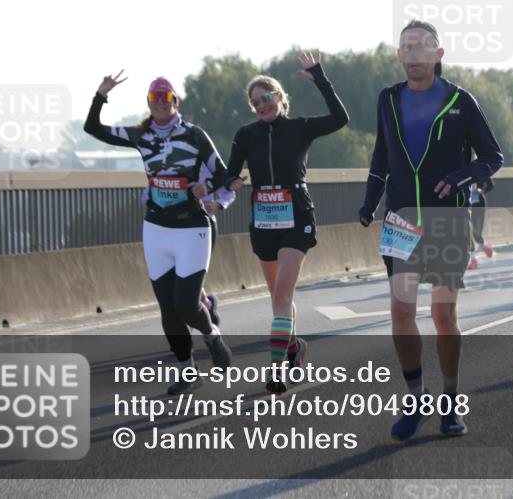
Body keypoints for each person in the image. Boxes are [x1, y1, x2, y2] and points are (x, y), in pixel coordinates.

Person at [358, 20, 503, 441]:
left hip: (448, 220)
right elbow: (380, 159)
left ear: (439, 54)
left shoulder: (460, 100)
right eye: (407, 46)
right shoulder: (387, 100)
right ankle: (416, 397)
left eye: (422, 45)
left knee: (442, 314)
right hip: (401, 219)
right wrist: (369, 203)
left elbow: (492, 156)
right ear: (399, 55)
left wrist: (461, 177)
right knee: (401, 312)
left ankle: (451, 400)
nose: (414, 52)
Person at [85, 73, 237, 395]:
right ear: (148, 104)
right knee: (167, 309)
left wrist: (205, 186)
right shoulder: (141, 135)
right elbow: (94, 129)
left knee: (185, 303)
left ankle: (211, 337)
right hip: (156, 227)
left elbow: (224, 173)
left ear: (175, 102)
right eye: (153, 100)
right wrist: (101, 94)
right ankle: (187, 371)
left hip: (191, 227)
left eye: (164, 98)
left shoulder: (195, 135)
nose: (159, 105)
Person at [226, 51, 348, 394]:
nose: (262, 105)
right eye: (255, 103)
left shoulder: (299, 128)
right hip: (263, 223)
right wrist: (229, 183)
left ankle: (276, 371)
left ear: (279, 97)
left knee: (282, 296)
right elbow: (230, 173)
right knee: (277, 298)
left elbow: (340, 118)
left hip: (296, 218)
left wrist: (320, 79)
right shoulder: (246, 134)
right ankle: (295, 347)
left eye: (266, 98)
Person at [142, 161, 234, 325]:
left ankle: (199, 313)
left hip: (201, 226)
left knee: (188, 276)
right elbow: (148, 195)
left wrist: (217, 204)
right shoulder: (168, 165)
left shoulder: (208, 164)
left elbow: (228, 194)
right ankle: (205, 304)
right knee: (179, 278)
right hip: (171, 227)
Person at [467, 177, 495, 270]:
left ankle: (484, 246)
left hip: (478, 205)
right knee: (466, 232)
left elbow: (491, 185)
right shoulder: (462, 168)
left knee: (476, 233)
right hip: (465, 204)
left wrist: (482, 190)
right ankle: (473, 260)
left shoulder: (480, 169)